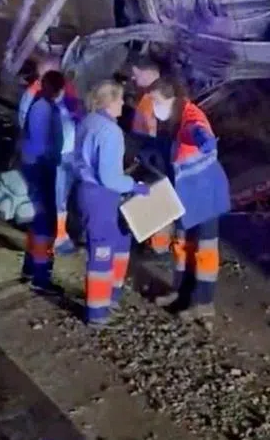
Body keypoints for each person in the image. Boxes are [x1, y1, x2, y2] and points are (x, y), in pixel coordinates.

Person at [145, 78, 231, 325]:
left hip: (205, 195)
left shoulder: (192, 118)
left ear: (171, 99)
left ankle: (203, 303)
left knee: (204, 250)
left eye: (156, 102)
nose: (153, 107)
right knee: (183, 245)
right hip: (189, 195)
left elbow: (201, 137)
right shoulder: (178, 120)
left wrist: (205, 141)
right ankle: (181, 293)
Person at [73, 81, 147, 327]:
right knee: (103, 251)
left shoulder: (88, 121)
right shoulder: (110, 132)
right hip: (102, 195)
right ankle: (97, 312)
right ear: (108, 101)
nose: (123, 104)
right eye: (119, 99)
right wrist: (134, 185)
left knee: (119, 241)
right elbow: (110, 177)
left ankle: (109, 297)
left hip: (88, 192)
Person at [18, 53, 80, 255]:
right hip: (49, 157)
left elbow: (77, 114)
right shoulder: (34, 94)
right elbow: (24, 122)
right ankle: (54, 241)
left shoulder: (67, 90)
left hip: (68, 152)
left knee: (63, 197)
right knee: (54, 198)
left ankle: (54, 237)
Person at [19, 71, 68, 292]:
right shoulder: (43, 109)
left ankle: (30, 267)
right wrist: (54, 156)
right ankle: (40, 275)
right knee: (44, 224)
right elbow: (39, 144)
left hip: (39, 167)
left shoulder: (43, 106)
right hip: (40, 169)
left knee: (40, 222)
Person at [129, 55, 171, 254]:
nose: (133, 79)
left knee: (156, 195)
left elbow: (151, 130)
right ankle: (157, 245)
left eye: (136, 75)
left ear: (149, 73)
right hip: (154, 153)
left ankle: (157, 246)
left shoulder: (152, 99)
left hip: (153, 155)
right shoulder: (161, 94)